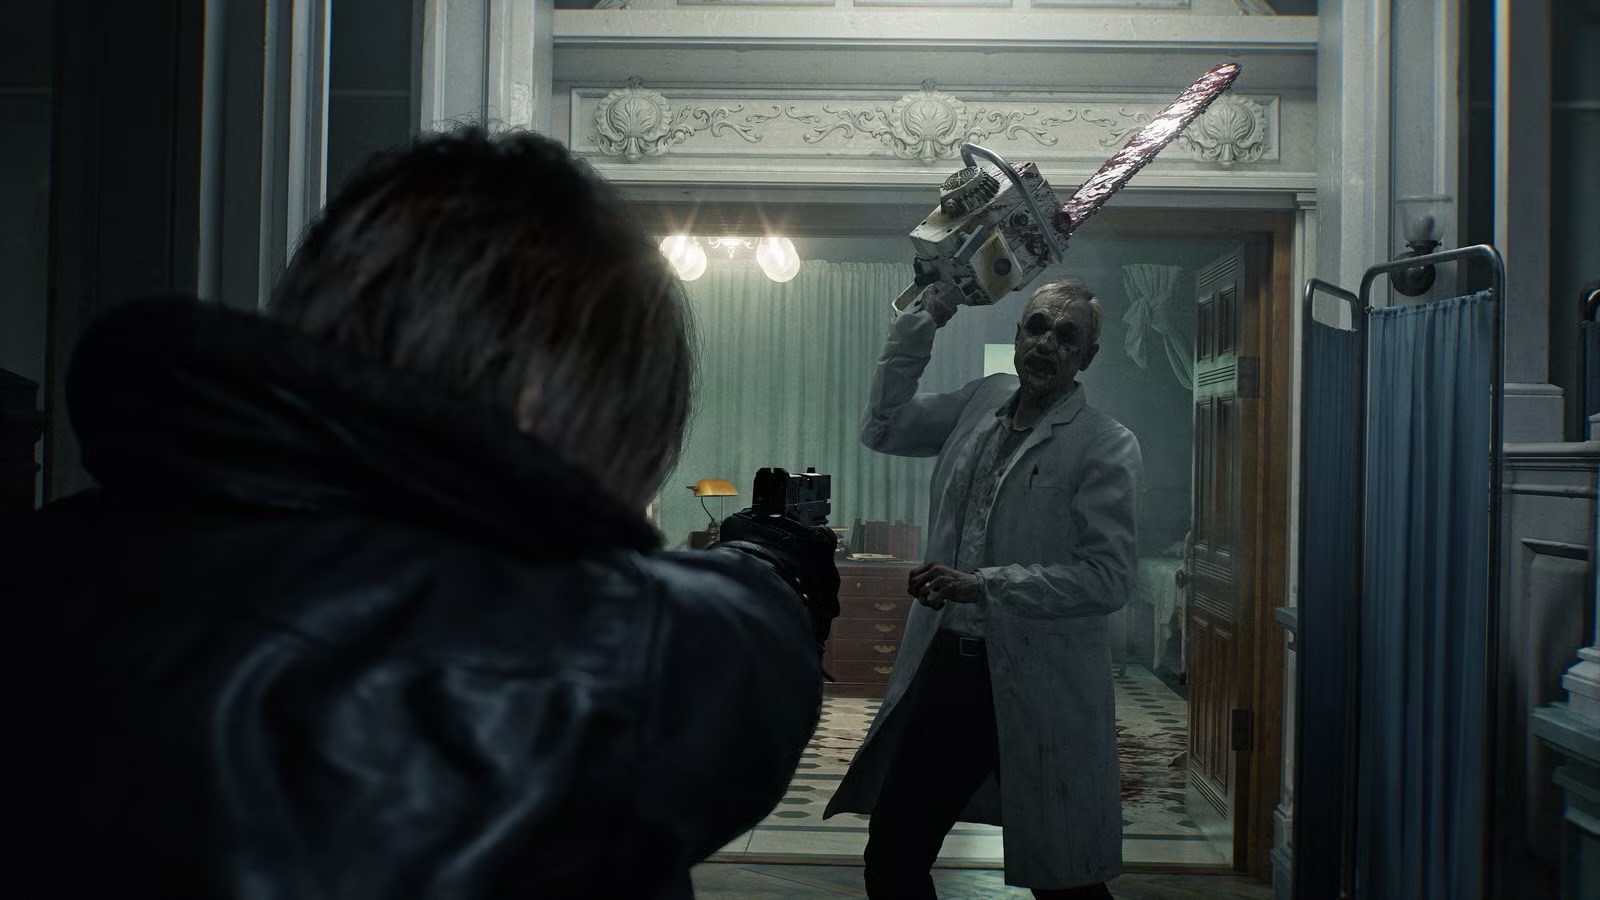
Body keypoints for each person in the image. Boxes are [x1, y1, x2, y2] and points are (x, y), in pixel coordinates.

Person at [0, 128, 839, 900]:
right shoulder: (597, 651)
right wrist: (768, 555)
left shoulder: (48, 562)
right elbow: (732, 641)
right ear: (559, 388)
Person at [825, 278, 1143, 899]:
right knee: (893, 851)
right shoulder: (982, 401)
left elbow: (1107, 579)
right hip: (951, 669)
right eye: (1037, 327)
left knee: (1065, 876)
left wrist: (985, 586)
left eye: (1067, 336)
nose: (1046, 343)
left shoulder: (1104, 443)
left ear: (1087, 356)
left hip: (1037, 679)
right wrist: (920, 323)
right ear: (1018, 334)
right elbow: (883, 426)